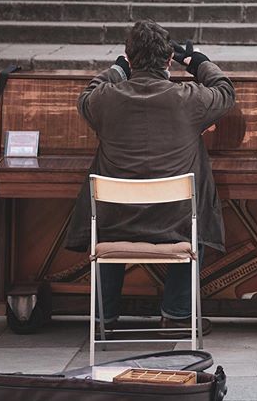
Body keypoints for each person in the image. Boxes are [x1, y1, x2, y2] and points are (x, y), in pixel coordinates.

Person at [66, 19, 235, 336]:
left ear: (129, 59)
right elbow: (225, 91)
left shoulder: (105, 100)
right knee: (193, 214)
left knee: (108, 223)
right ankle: (177, 314)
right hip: (175, 221)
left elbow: (86, 95)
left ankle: (103, 316)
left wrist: (118, 69)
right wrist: (196, 61)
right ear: (169, 61)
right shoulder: (189, 99)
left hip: (117, 218)